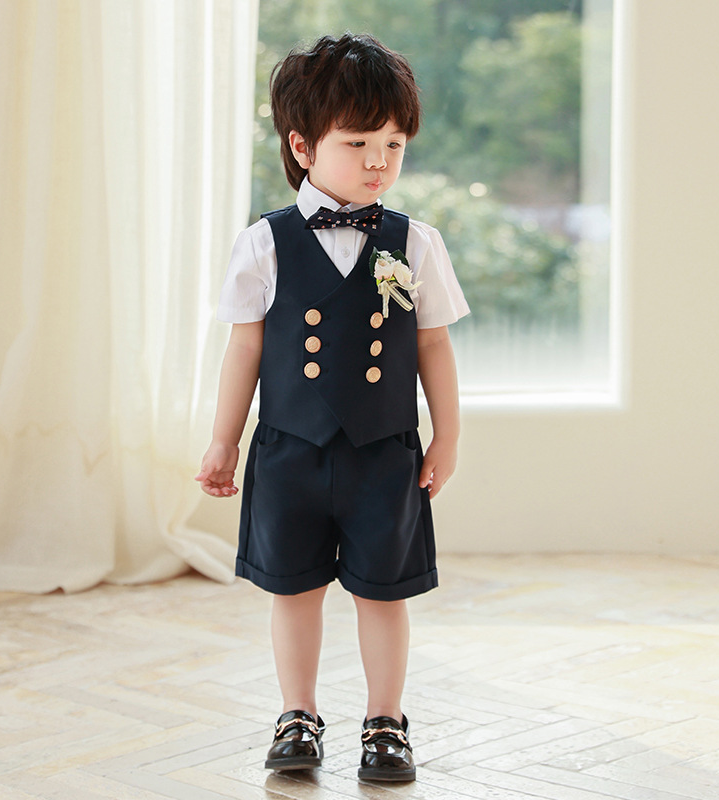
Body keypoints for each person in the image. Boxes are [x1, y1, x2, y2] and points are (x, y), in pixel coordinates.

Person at [195, 33, 469, 783]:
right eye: (358, 141)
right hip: (289, 450)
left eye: (394, 143)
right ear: (303, 145)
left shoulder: (417, 243)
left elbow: (435, 347)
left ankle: (386, 722)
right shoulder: (264, 244)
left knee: (384, 593)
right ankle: (298, 715)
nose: (380, 159)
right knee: (295, 588)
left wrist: (448, 432)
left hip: (385, 451)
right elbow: (244, 352)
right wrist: (224, 442)